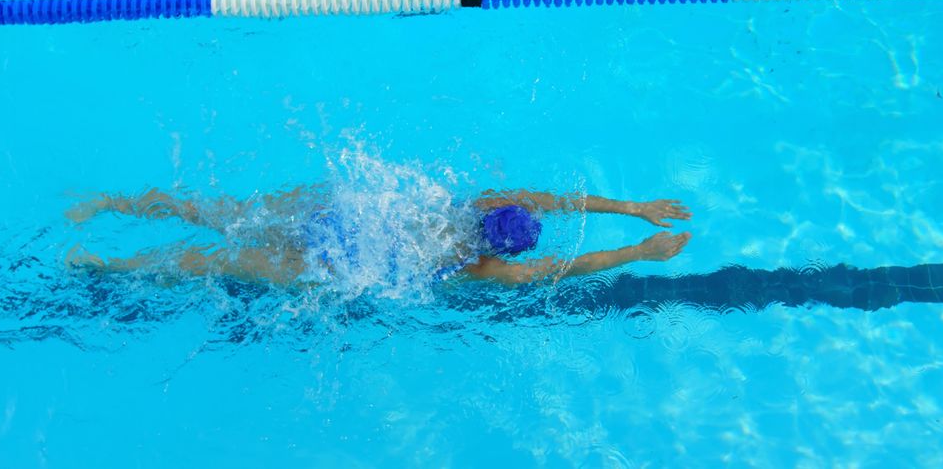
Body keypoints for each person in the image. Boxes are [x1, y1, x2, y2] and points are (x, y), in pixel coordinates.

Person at [65, 187, 692, 286]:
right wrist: (638, 250)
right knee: (209, 263)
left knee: (218, 213)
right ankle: (105, 266)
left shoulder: (477, 203)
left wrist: (637, 207)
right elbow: (558, 270)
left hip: (332, 221)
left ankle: (109, 203)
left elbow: (562, 198)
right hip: (335, 267)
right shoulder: (482, 267)